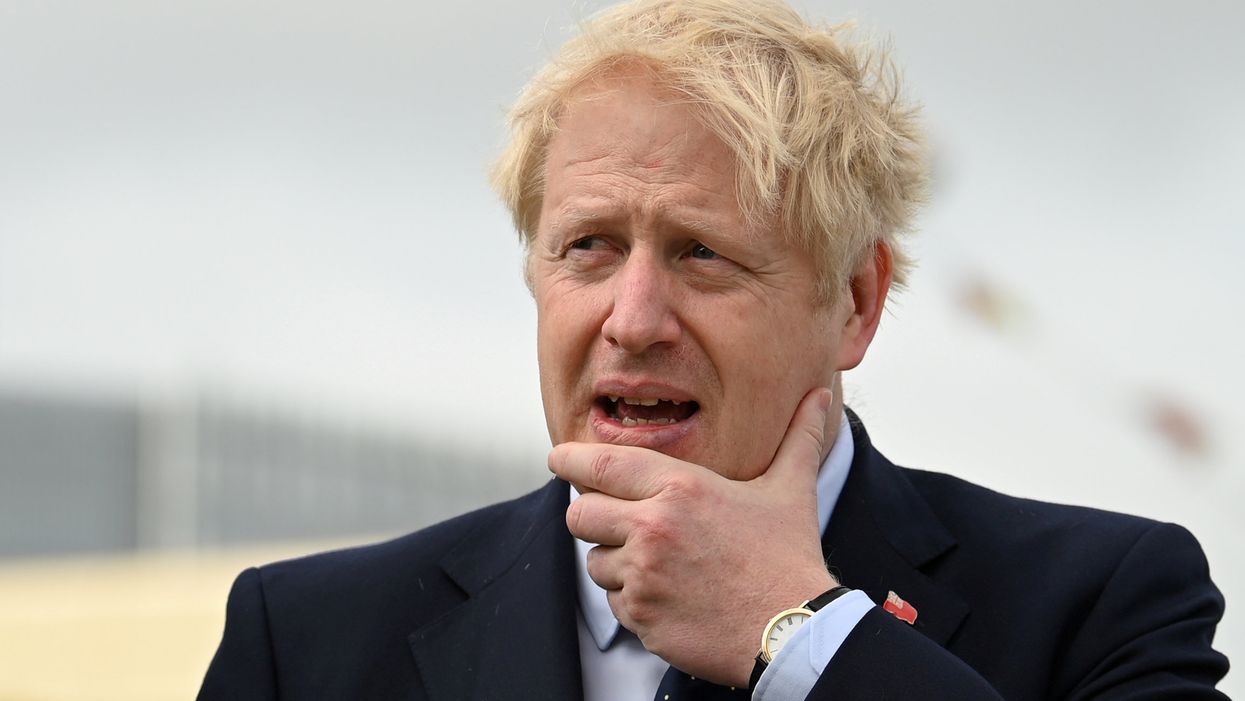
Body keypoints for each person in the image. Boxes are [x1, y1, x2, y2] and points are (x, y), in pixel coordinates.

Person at [197, 0, 1229, 698]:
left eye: (702, 254)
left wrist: (803, 631)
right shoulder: (309, 643)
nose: (634, 316)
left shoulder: (1103, 601)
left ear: (857, 300)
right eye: (590, 247)